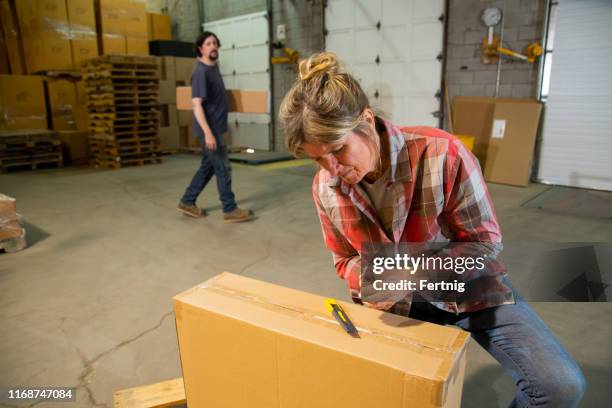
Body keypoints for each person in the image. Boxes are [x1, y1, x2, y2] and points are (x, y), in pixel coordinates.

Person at [279, 52, 585, 407]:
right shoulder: (323, 189)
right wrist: (373, 277)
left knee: (560, 387)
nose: (331, 169)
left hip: (468, 288)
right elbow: (344, 259)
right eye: (317, 158)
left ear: (366, 120)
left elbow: (483, 243)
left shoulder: (443, 154)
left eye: (338, 149)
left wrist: (411, 275)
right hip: (394, 306)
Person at [177, 31, 253, 223]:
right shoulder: (201, 72)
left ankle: (187, 201)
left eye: (214, 43)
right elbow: (197, 105)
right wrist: (208, 134)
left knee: (208, 167)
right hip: (209, 130)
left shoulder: (213, 67)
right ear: (201, 49)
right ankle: (229, 209)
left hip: (216, 128)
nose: (213, 46)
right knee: (223, 168)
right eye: (208, 44)